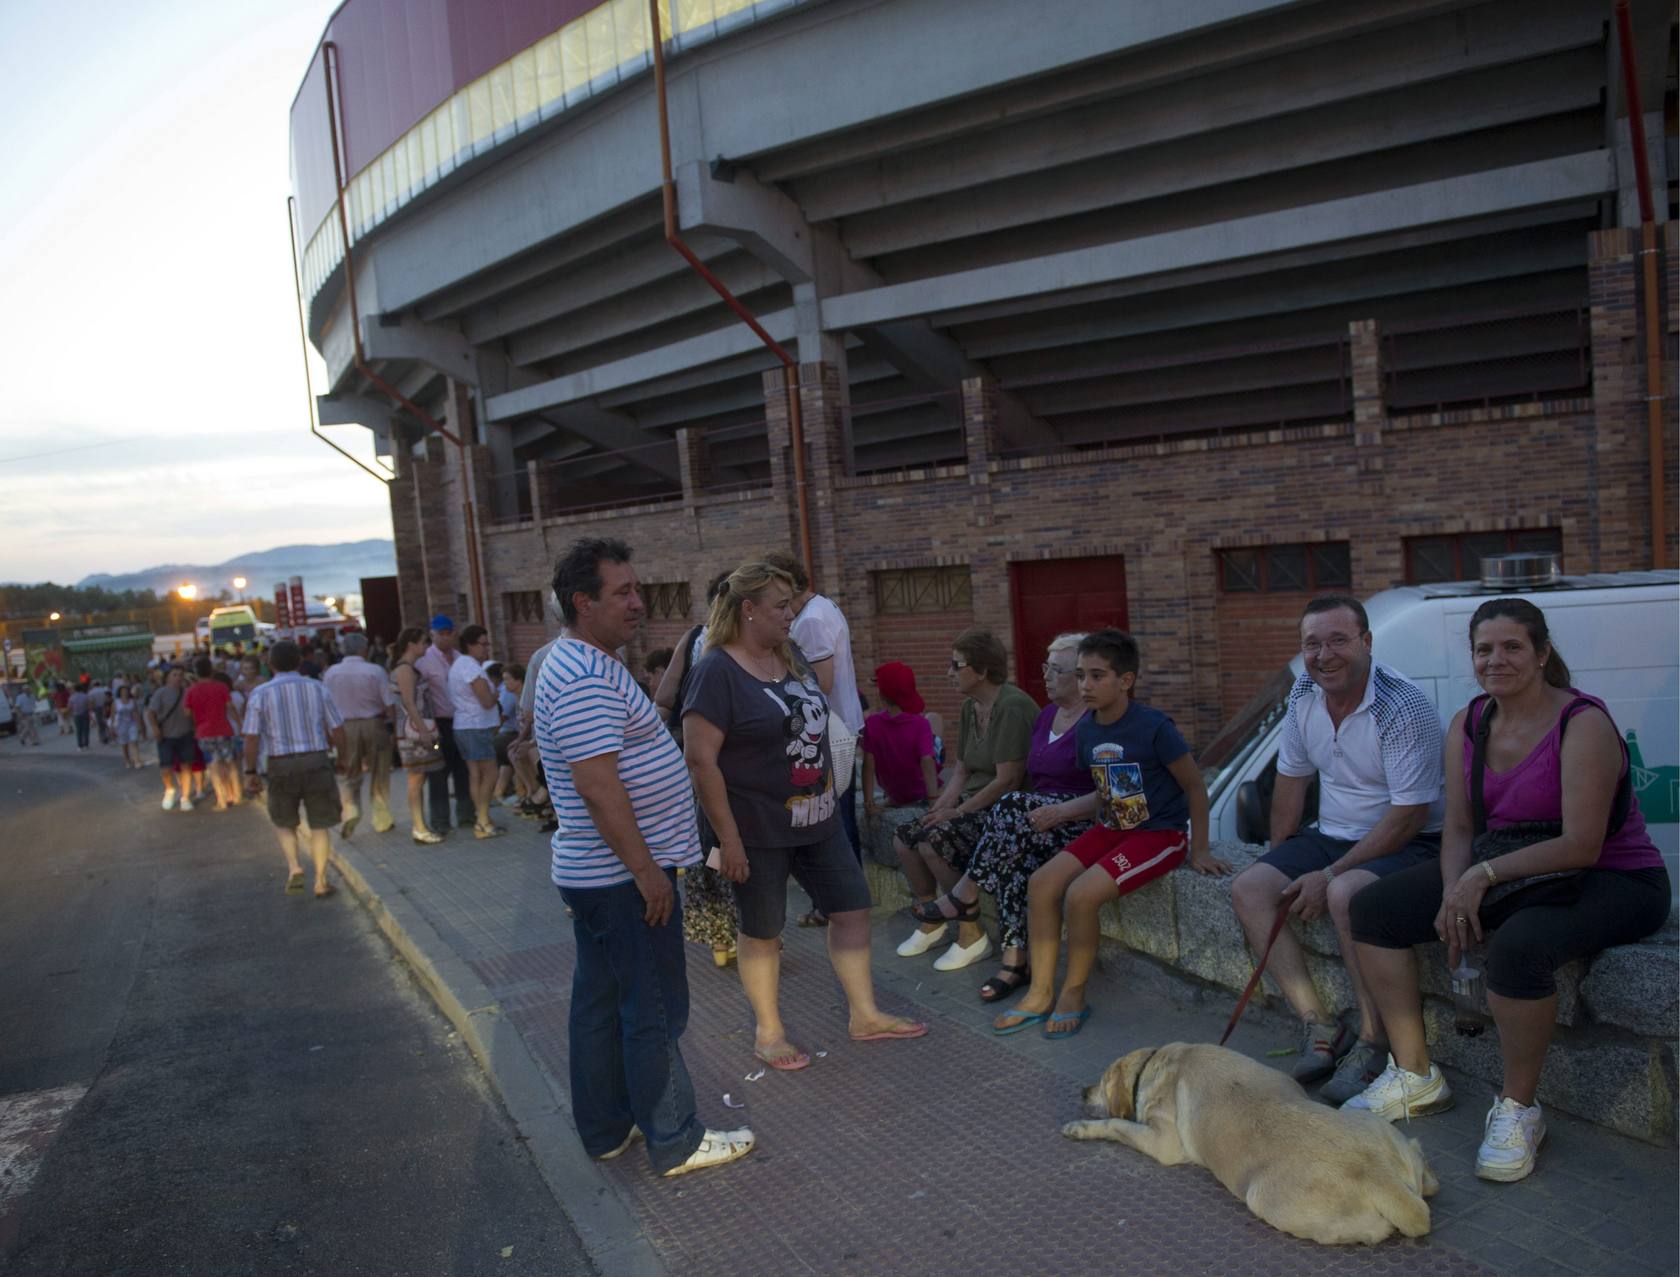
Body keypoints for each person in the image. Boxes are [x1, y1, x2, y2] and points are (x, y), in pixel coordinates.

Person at [1341, 599, 1671, 1181]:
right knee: (1374, 908)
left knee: (1519, 948)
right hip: (1514, 867)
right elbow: (1462, 829)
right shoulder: (1469, 724)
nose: (1497, 659)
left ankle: (1519, 1110)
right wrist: (1451, 895)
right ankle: (1417, 1075)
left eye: (1513, 646)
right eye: (1484, 649)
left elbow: (1581, 844)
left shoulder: (1583, 723)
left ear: (1543, 654)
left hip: (1613, 877)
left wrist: (1480, 879)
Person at [534, 537, 753, 1178]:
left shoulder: (583, 662)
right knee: (653, 1009)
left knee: (603, 1003)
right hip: (620, 880)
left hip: (604, 877)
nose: (638, 603)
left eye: (637, 589)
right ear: (584, 603)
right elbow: (598, 787)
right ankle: (675, 1138)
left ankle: (608, 1127)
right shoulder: (578, 673)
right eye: (622, 593)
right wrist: (647, 872)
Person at [684, 559, 926, 1073]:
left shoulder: (788, 654)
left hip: (817, 816)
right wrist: (729, 840)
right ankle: (769, 1032)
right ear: (748, 610)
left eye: (792, 603)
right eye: (781, 606)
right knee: (763, 928)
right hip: (756, 827)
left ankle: (864, 1015)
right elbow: (701, 760)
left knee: (852, 907)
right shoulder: (715, 671)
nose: (792, 613)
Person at [1228, 595, 1446, 1099]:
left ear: (1367, 642)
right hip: (1331, 833)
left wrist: (1326, 877)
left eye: (1338, 641)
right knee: (1250, 889)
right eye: (1312, 644)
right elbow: (1290, 780)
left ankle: (1373, 1043)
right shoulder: (1304, 690)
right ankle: (1321, 1026)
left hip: (1411, 840)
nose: (1324, 655)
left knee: (1347, 893)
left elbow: (1409, 816)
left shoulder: (1403, 705)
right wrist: (1279, 858)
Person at [993, 630, 1231, 1037]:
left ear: (1126, 680)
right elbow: (1106, 789)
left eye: (1097, 676)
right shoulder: (1088, 730)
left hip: (1158, 835)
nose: (1086, 685)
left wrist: (1201, 848)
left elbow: (1195, 785)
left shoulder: (1154, 727)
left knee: (1082, 895)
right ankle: (1039, 992)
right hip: (1113, 826)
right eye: (1082, 675)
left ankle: (1072, 993)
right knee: (1041, 883)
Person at [907, 635, 1099, 1002]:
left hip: (1074, 821)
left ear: (1080, 677)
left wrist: (1057, 811)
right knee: (1014, 861)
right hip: (1033, 820)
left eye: (1056, 670)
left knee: (1010, 807)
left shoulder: (1095, 722)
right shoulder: (1046, 716)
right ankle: (1015, 961)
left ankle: (964, 893)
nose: (1046, 676)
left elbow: (1104, 794)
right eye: (1046, 668)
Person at [893, 628, 1037, 971]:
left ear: (983, 670)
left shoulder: (1012, 706)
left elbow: (1007, 780)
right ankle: (933, 921)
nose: (949, 673)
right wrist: (941, 806)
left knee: (934, 843)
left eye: (956, 665)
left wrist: (956, 812)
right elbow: (960, 771)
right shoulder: (970, 707)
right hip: (973, 802)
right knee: (905, 837)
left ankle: (971, 933)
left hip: (1005, 810)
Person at [654, 570, 741, 964]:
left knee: (710, 845)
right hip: (737, 763)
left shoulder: (692, 638)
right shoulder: (745, 644)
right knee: (741, 845)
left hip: (696, 760)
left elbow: (665, 697)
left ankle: (720, 938)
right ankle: (748, 931)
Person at [763, 551, 866, 863]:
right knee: (839, 813)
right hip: (838, 725)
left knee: (834, 818)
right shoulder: (820, 606)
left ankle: (840, 899)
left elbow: (821, 684)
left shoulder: (810, 620)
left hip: (829, 733)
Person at [242, 640, 346, 897]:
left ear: (270, 664)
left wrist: (250, 771)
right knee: (320, 824)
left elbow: (251, 737)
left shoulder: (261, 693)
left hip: (280, 764)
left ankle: (294, 866)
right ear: (299, 661)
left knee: (284, 821)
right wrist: (344, 758)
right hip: (316, 760)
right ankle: (321, 881)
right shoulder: (317, 688)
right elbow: (337, 728)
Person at [323, 632, 395, 836]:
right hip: (374, 723)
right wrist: (394, 729)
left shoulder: (331, 673)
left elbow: (325, 705)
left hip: (344, 727)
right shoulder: (375, 670)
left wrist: (328, 733)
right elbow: (389, 704)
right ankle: (381, 817)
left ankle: (351, 808)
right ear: (364, 649)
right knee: (379, 770)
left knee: (349, 771)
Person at [388, 627, 445, 844]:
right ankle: (419, 827)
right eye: (423, 642)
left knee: (418, 778)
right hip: (414, 734)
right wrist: (423, 731)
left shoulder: (408, 668)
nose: (426, 647)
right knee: (416, 779)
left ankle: (421, 826)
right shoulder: (405, 670)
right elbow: (409, 703)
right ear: (411, 645)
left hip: (414, 732)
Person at [417, 615, 474, 833]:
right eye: (440, 634)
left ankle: (466, 814)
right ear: (432, 635)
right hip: (438, 721)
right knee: (438, 774)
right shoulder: (425, 661)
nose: (445, 638)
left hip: (460, 720)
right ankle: (440, 821)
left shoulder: (459, 657)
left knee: (463, 769)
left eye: (448, 633)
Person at [859, 661, 939, 816]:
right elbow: (927, 761)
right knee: (935, 719)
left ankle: (891, 799)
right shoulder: (921, 724)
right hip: (920, 791)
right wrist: (933, 798)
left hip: (895, 793)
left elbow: (868, 765)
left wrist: (869, 803)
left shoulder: (871, 724)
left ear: (881, 695)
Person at [448, 624, 505, 838]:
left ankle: (482, 818)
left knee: (475, 774)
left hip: (464, 725)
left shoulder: (459, 665)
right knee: (490, 772)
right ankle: (482, 820)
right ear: (469, 645)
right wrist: (496, 696)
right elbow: (486, 701)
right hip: (476, 726)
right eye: (482, 644)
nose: (486, 648)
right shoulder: (470, 667)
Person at [185, 657, 242, 810]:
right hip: (223, 729)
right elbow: (230, 707)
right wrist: (240, 723)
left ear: (195, 673)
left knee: (214, 766)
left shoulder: (191, 691)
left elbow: (187, 713)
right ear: (211, 670)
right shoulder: (221, 687)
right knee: (230, 763)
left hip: (204, 732)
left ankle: (222, 800)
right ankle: (236, 795)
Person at [147, 668, 197, 810]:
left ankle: (185, 797)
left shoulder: (187, 692)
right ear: (167, 678)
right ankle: (169, 789)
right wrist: (155, 728)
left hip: (185, 733)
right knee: (165, 767)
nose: (178, 678)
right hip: (166, 735)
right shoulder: (161, 693)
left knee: (186, 765)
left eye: (180, 675)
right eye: (174, 675)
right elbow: (151, 712)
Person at [493, 663, 525, 807]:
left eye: (507, 679)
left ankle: (523, 792)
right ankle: (500, 792)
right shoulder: (515, 696)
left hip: (520, 736)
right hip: (517, 735)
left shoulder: (522, 698)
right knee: (510, 753)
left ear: (518, 681)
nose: (504, 683)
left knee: (511, 750)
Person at [112, 684, 141, 766]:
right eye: (123, 692)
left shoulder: (132, 701)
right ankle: (127, 760)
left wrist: (139, 725)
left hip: (132, 723)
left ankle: (137, 760)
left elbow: (136, 713)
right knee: (124, 743)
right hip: (121, 724)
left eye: (126, 691)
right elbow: (113, 714)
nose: (125, 693)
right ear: (119, 693)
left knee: (134, 740)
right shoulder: (116, 702)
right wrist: (112, 727)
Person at [69, 683, 92, 751]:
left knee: (79, 730)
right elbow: (89, 705)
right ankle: (86, 744)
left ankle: (80, 745)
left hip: (76, 715)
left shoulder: (72, 697)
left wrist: (70, 713)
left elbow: (70, 707)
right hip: (85, 713)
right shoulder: (85, 696)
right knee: (86, 729)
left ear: (75, 689)